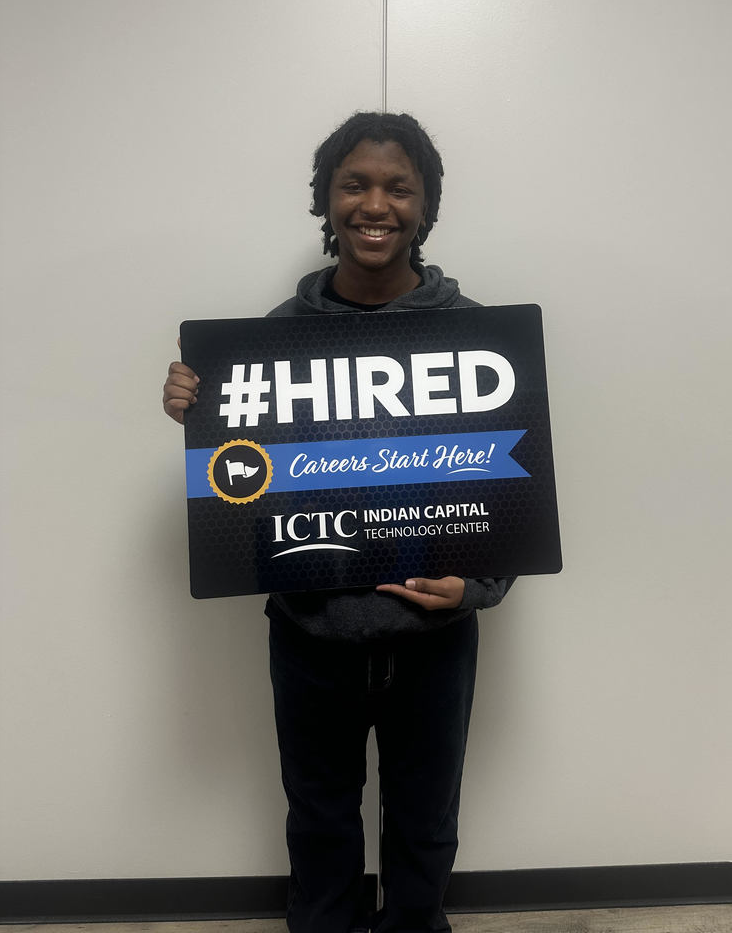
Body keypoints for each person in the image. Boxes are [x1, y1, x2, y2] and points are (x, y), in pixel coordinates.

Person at [163, 112, 511, 933]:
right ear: (326, 198)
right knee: (318, 821)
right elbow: (245, 485)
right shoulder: (270, 344)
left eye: (399, 186)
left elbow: (507, 484)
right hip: (311, 634)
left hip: (434, 635)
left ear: (425, 205)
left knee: (426, 826)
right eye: (355, 183)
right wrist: (202, 425)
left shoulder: (476, 336)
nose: (376, 203)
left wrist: (477, 587)